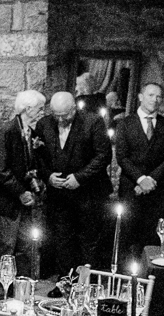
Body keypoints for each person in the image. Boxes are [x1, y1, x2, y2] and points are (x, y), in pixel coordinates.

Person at [33, 91, 111, 276]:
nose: (60, 120)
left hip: (89, 193)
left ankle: (84, 285)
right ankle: (64, 282)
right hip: (59, 195)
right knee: (62, 239)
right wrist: (49, 176)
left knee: (87, 240)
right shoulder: (43, 124)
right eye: (56, 115)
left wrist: (80, 177)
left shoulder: (93, 122)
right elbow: (37, 157)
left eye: (65, 115)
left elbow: (103, 155)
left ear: (74, 109)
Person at [115, 83, 164, 270]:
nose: (155, 100)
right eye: (151, 95)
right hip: (130, 189)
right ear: (141, 96)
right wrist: (140, 179)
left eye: (159, 97)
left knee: (153, 237)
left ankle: (149, 279)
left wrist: (151, 180)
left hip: (156, 191)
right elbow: (122, 156)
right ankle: (125, 278)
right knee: (127, 236)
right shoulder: (125, 123)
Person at [0, 90, 45, 281]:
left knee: (26, 246)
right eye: (39, 108)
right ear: (28, 108)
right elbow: (0, 168)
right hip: (7, 201)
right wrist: (20, 192)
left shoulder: (32, 133)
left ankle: (21, 286)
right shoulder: (8, 131)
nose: (41, 112)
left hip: (24, 202)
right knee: (5, 246)